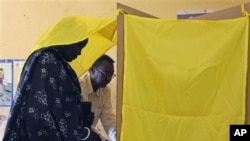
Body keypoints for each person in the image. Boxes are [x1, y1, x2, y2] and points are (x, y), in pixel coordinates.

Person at [3, 38, 102, 141]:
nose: (79, 53)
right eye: (78, 47)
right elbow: (44, 106)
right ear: (68, 41)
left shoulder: (51, 60)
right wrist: (78, 131)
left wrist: (81, 117)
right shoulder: (48, 61)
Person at [79, 54, 116, 141]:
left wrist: (118, 138)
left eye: (111, 74)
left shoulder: (105, 91)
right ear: (92, 70)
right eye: (106, 73)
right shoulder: (78, 88)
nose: (109, 78)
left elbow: (108, 120)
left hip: (90, 135)